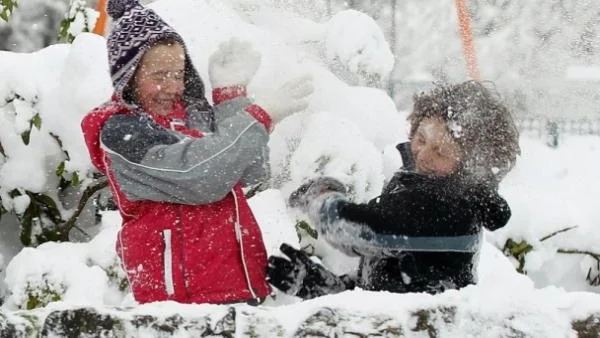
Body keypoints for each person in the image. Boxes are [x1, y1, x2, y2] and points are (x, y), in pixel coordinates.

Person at [81, 0, 313, 304]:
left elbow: (250, 170)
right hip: (179, 301)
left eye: (177, 74)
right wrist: (259, 116)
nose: (172, 86)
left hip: (236, 288)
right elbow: (199, 176)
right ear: (129, 77)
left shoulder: (192, 115)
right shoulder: (122, 131)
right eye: (159, 75)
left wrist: (231, 98)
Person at [267, 81, 520, 299]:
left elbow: (355, 229)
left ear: (468, 168)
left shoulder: (446, 206)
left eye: (440, 152)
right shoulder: (430, 191)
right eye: (421, 139)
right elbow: (392, 285)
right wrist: (325, 287)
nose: (423, 155)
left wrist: (321, 196)